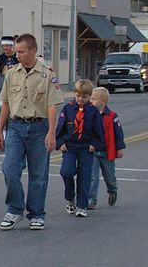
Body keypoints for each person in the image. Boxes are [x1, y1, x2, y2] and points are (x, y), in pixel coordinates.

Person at [0, 33, 63, 231]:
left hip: (39, 128)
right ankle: (15, 209)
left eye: (22, 51)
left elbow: (52, 105)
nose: (18, 55)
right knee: (9, 168)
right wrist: (0, 131)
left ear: (33, 51)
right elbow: (6, 104)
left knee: (38, 174)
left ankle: (36, 213)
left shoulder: (47, 75)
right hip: (15, 127)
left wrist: (51, 133)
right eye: (17, 51)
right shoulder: (11, 73)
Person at [56, 79, 105, 218]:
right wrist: (60, 142)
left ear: (89, 96)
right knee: (66, 172)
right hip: (70, 146)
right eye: (78, 96)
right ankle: (70, 197)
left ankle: (82, 205)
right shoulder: (68, 108)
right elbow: (61, 127)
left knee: (84, 176)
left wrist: (95, 144)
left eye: (84, 97)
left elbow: (99, 130)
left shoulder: (93, 111)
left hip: (86, 148)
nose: (80, 99)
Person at [88, 87, 125, 209]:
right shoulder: (89, 114)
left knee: (109, 176)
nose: (91, 101)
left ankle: (112, 190)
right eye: (91, 98)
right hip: (92, 151)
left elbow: (118, 133)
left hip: (106, 151)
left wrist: (119, 148)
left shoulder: (112, 116)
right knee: (92, 176)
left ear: (103, 102)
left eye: (94, 99)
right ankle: (91, 199)